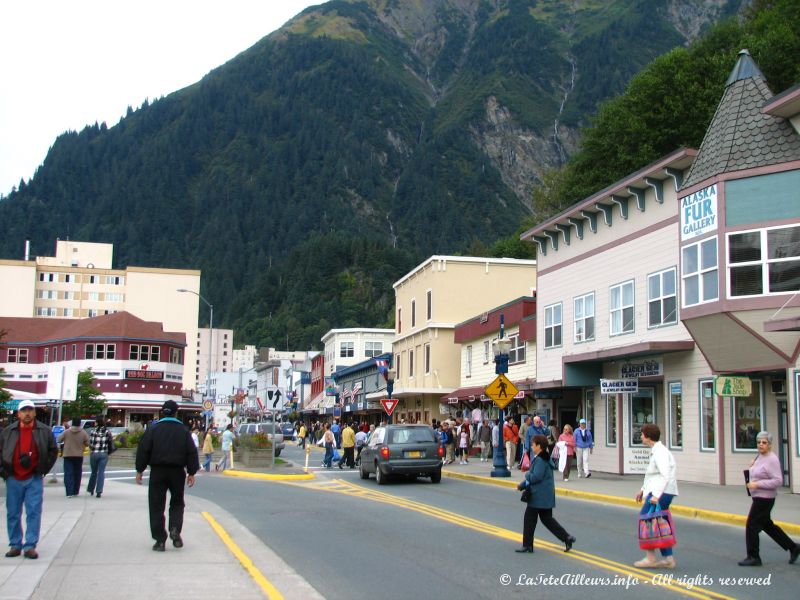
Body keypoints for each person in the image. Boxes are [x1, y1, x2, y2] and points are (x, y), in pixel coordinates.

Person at [135, 400, 199, 552]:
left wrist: (140, 470)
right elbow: (191, 452)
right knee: (177, 502)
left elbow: (144, 449)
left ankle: (160, 540)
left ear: (162, 412)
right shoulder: (183, 431)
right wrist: (191, 472)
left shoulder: (153, 429)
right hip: (177, 471)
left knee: (156, 505)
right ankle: (175, 528)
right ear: (176, 413)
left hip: (157, 471)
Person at [0, 400, 58, 559]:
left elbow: (53, 451)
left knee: (33, 512)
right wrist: (3, 471)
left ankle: (30, 545)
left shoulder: (44, 431)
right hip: (13, 478)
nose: (27, 413)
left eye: (30, 410)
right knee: (13, 513)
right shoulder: (8, 432)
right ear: (18, 414)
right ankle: (15, 544)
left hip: (33, 478)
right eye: (23, 410)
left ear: (34, 412)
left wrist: (43, 469)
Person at [738, 431, 800, 566]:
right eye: (759, 442)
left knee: (752, 525)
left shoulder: (772, 459)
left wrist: (756, 484)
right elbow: (761, 472)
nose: (761, 445)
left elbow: (778, 481)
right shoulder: (760, 456)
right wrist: (752, 466)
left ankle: (754, 557)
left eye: (764, 442)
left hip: (765, 498)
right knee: (767, 526)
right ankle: (794, 547)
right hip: (758, 497)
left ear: (770, 445)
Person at [515, 434, 575, 554]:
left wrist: (526, 474)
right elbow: (537, 477)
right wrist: (522, 485)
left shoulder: (540, 460)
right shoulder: (544, 459)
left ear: (539, 446)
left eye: (533, 444)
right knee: (547, 520)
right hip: (545, 496)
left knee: (529, 520)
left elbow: (535, 477)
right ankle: (566, 537)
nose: (532, 446)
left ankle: (527, 546)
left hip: (538, 496)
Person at [634, 423, 678, 569]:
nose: (641, 436)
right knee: (659, 522)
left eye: (642, 434)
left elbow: (665, 475)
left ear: (648, 436)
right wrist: (642, 490)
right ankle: (668, 559)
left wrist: (657, 495)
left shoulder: (660, 452)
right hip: (660, 490)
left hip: (662, 491)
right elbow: (652, 475)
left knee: (645, 519)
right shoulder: (656, 450)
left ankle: (650, 558)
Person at [58, 417, 90, 498]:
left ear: (72, 423)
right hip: (79, 455)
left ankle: (69, 492)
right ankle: (76, 491)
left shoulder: (67, 432)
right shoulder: (83, 432)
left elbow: (59, 439)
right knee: (77, 473)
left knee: (68, 473)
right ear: (79, 424)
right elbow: (87, 443)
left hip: (68, 455)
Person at [86, 416, 112, 498]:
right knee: (101, 472)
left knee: (94, 472)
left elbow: (91, 443)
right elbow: (110, 442)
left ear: (97, 423)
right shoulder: (107, 431)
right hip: (104, 453)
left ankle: (91, 489)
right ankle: (99, 491)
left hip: (94, 453)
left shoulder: (93, 431)